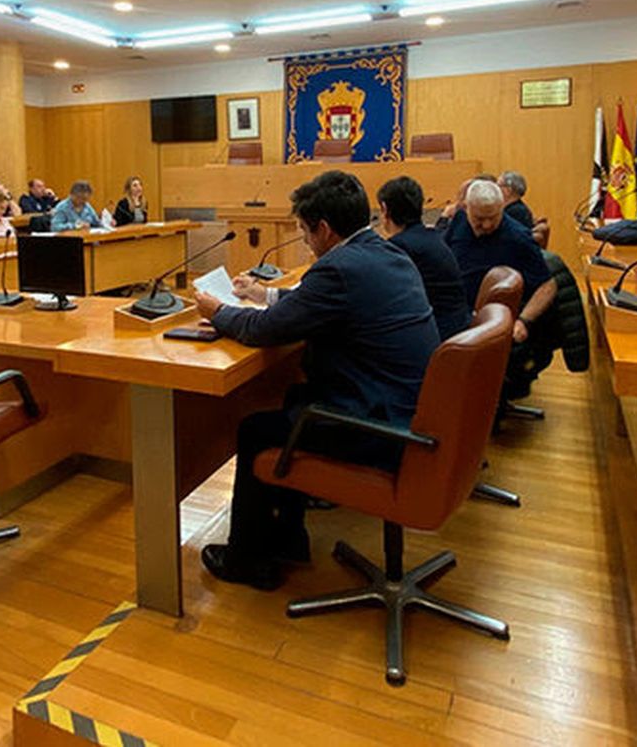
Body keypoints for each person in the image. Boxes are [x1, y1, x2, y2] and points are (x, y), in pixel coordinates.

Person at [194, 170, 439, 590]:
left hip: (379, 428)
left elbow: (264, 332)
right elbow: (326, 304)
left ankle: (247, 559)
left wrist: (217, 311)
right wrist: (266, 295)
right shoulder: (385, 253)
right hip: (409, 414)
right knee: (294, 397)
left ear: (324, 229)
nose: (305, 240)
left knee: (256, 429)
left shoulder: (338, 268)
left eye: (305, 231)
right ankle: (289, 537)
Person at [444, 180, 560, 402]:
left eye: (493, 218)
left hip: (497, 322)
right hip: (461, 312)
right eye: (479, 219)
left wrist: (523, 320)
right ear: (466, 209)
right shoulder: (458, 221)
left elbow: (548, 285)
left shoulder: (518, 238)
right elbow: (445, 256)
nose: (487, 225)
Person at [375, 176, 469, 341]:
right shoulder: (432, 236)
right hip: (458, 328)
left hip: (436, 337)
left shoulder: (398, 247)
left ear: (384, 209)